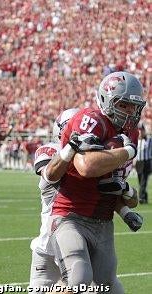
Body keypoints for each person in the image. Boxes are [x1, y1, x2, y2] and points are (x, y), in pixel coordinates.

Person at [44, 72, 146, 293]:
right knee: (78, 277)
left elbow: (113, 183)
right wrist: (127, 151)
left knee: (109, 287)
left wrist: (127, 208)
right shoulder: (90, 119)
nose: (130, 112)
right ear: (106, 100)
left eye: (133, 107)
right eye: (124, 105)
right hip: (71, 216)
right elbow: (87, 167)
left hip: (103, 220)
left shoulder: (131, 131)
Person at [135, 123, 152, 204]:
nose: (140, 132)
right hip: (139, 162)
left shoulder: (149, 139)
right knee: (140, 181)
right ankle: (145, 197)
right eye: (139, 130)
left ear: (144, 131)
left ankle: (141, 198)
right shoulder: (136, 140)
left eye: (142, 130)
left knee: (143, 181)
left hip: (146, 162)